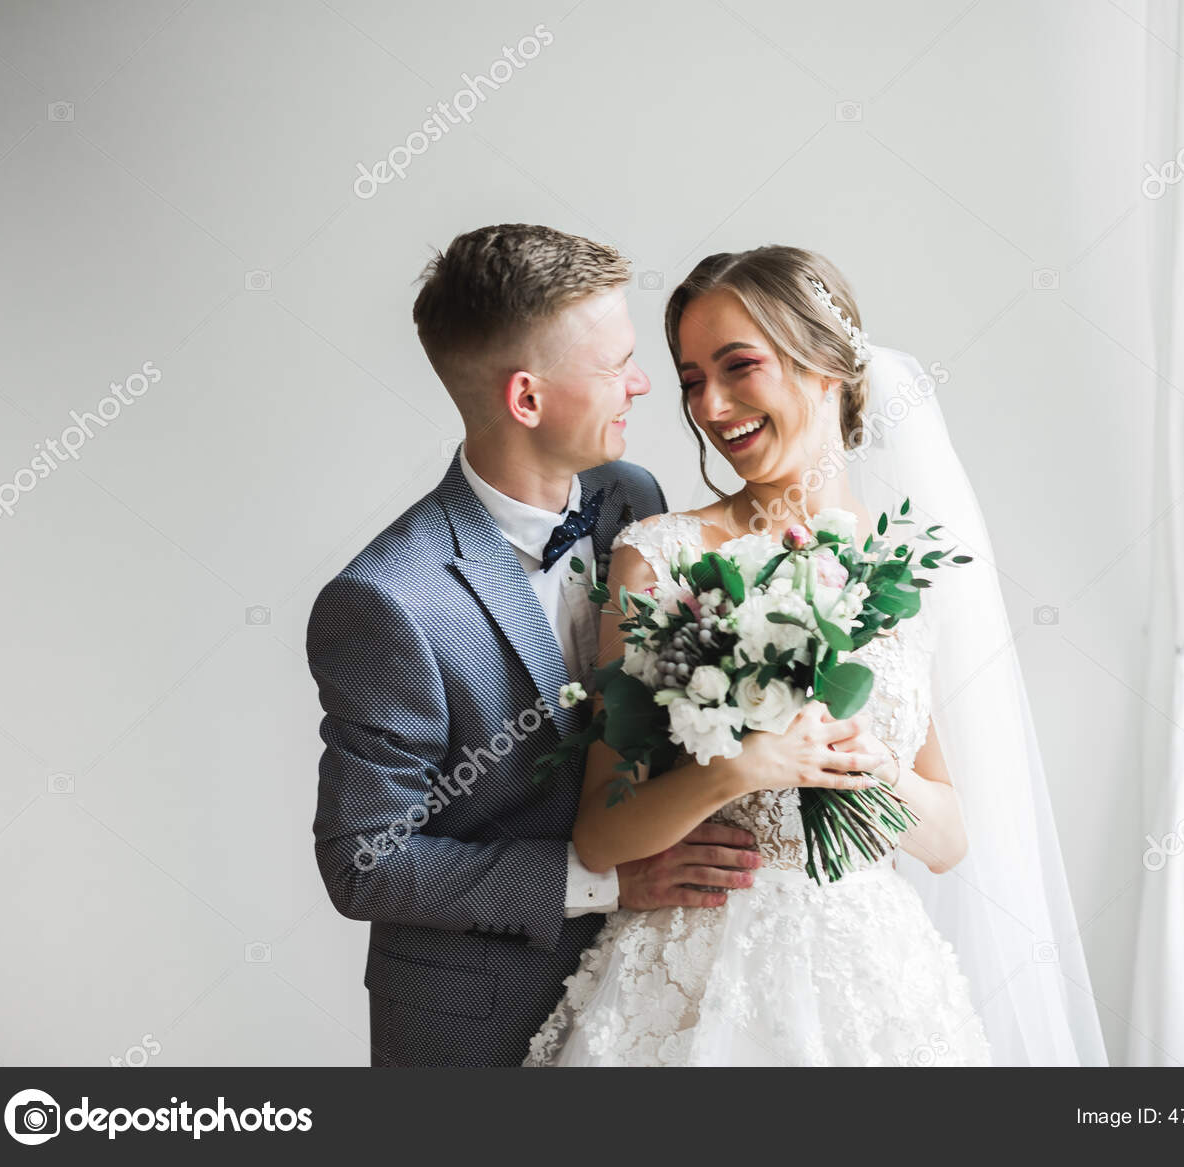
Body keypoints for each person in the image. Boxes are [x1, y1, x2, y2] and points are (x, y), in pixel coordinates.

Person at [525, 246, 1105, 1066]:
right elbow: (600, 835)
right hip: (694, 982)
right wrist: (740, 768)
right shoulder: (659, 554)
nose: (712, 405)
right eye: (692, 379)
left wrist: (871, 767)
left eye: (739, 366)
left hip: (872, 985)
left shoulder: (903, 569)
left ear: (828, 365)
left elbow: (946, 838)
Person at [307, 224, 763, 1066]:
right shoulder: (385, 600)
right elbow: (365, 863)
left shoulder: (635, 499)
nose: (641, 382)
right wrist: (603, 882)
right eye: (614, 364)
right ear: (527, 399)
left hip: (658, 995)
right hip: (480, 1022)